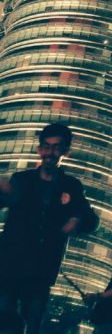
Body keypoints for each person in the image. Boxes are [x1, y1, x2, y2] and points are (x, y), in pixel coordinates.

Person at [0, 123, 98, 334]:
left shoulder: (71, 186)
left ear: (65, 151)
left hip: (41, 272)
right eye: (46, 146)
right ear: (39, 149)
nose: (49, 153)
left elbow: (91, 220)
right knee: (4, 321)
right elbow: (5, 199)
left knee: (33, 324)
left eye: (56, 147)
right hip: (9, 267)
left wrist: (77, 220)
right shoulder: (22, 180)